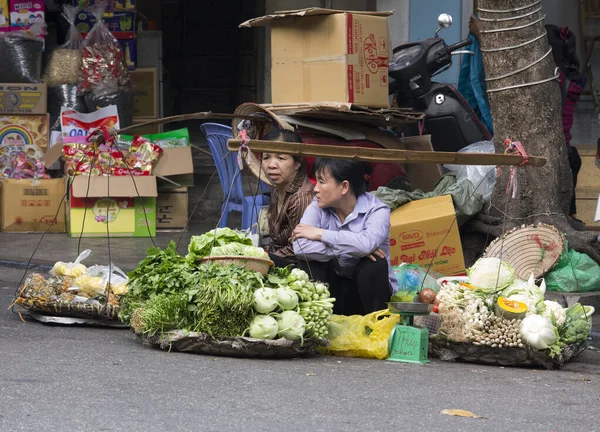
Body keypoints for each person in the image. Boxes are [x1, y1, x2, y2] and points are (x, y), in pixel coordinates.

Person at [291, 158, 398, 316]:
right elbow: (300, 247)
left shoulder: (377, 210)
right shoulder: (318, 205)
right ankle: (316, 322)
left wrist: (321, 234)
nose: (315, 189)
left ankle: (377, 325)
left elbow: (366, 244)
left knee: (374, 263)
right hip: (334, 290)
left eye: (322, 182)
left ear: (344, 187)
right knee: (309, 262)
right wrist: (353, 248)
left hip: (366, 294)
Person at [261, 128, 315, 268]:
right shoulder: (277, 187)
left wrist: (262, 258)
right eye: (266, 157)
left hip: (297, 267)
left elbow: (297, 249)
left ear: (297, 163)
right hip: (276, 256)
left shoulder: (302, 198)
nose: (271, 165)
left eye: (281, 158)